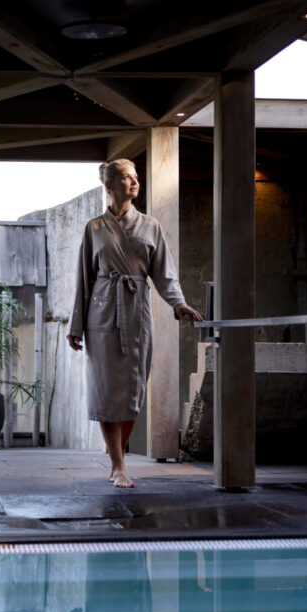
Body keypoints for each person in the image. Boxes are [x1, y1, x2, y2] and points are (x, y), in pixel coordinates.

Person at [67, 159, 203, 488]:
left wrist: (178, 302)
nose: (134, 182)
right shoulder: (94, 228)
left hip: (136, 313)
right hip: (101, 313)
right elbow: (83, 280)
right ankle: (117, 465)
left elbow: (165, 274)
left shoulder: (151, 226)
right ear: (109, 185)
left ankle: (119, 456)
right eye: (126, 178)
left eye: (136, 177)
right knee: (104, 389)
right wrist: (75, 326)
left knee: (132, 390)